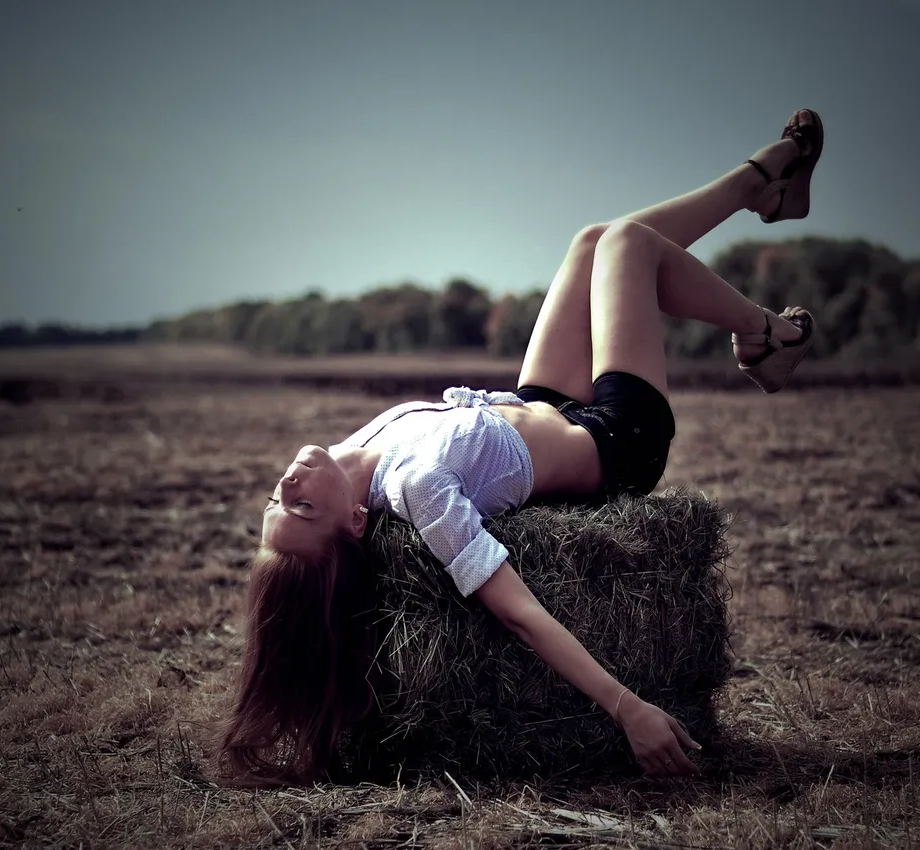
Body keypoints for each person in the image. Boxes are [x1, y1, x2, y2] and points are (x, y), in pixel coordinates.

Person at [224, 110, 824, 785]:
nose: (291, 485)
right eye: (303, 510)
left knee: (592, 240)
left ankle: (767, 192)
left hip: (543, 401)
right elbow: (520, 614)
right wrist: (628, 708)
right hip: (614, 438)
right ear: (357, 523)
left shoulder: (346, 452)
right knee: (628, 243)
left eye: (279, 499)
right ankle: (769, 333)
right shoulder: (417, 489)